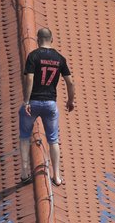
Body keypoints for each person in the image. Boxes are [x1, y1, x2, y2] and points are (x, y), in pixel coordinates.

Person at [19, 27, 76, 186]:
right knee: (53, 139)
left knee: (25, 136)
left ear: (38, 39)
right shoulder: (60, 59)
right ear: (52, 39)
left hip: (34, 102)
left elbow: (29, 79)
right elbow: (70, 82)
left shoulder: (33, 56)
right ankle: (56, 176)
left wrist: (26, 101)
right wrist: (70, 101)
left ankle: (24, 173)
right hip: (50, 103)